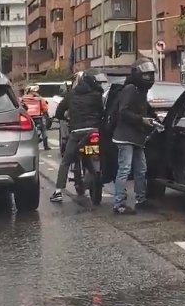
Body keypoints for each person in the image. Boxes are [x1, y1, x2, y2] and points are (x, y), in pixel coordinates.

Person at [50, 68, 106, 203]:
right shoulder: (97, 95)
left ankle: (58, 191)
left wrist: (67, 118)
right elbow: (102, 112)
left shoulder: (71, 94)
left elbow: (59, 112)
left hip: (77, 132)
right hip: (94, 131)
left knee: (66, 161)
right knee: (102, 155)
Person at [111, 58, 157, 215]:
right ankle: (119, 204)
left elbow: (144, 111)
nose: (149, 78)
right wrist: (141, 120)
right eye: (146, 74)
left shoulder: (141, 91)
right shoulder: (130, 89)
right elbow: (123, 112)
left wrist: (153, 119)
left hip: (137, 136)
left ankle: (141, 199)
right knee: (124, 169)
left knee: (141, 169)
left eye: (150, 74)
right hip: (125, 137)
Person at [20, 86, 50, 150]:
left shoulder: (23, 98)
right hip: (38, 117)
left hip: (28, 118)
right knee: (43, 130)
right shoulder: (39, 98)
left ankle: (28, 145)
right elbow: (45, 108)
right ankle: (46, 146)